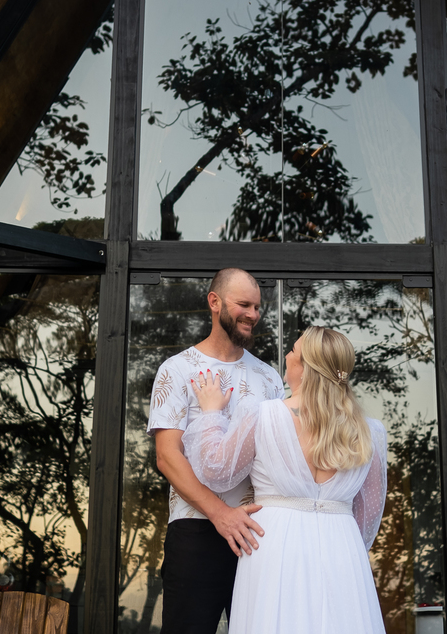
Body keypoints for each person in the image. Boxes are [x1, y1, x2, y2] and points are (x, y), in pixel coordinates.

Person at [185, 326, 388, 634]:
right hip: (343, 550)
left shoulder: (262, 415)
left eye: (293, 350)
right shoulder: (370, 432)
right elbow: (368, 514)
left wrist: (211, 413)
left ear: (305, 369)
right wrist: (337, 537)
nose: (288, 356)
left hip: (276, 546)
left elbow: (216, 470)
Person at [147, 268, 285, 633]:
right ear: (215, 302)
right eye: (244, 305)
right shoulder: (176, 370)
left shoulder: (270, 378)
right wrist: (221, 514)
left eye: (257, 307)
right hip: (195, 531)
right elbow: (167, 457)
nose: (253, 314)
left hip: (257, 532)